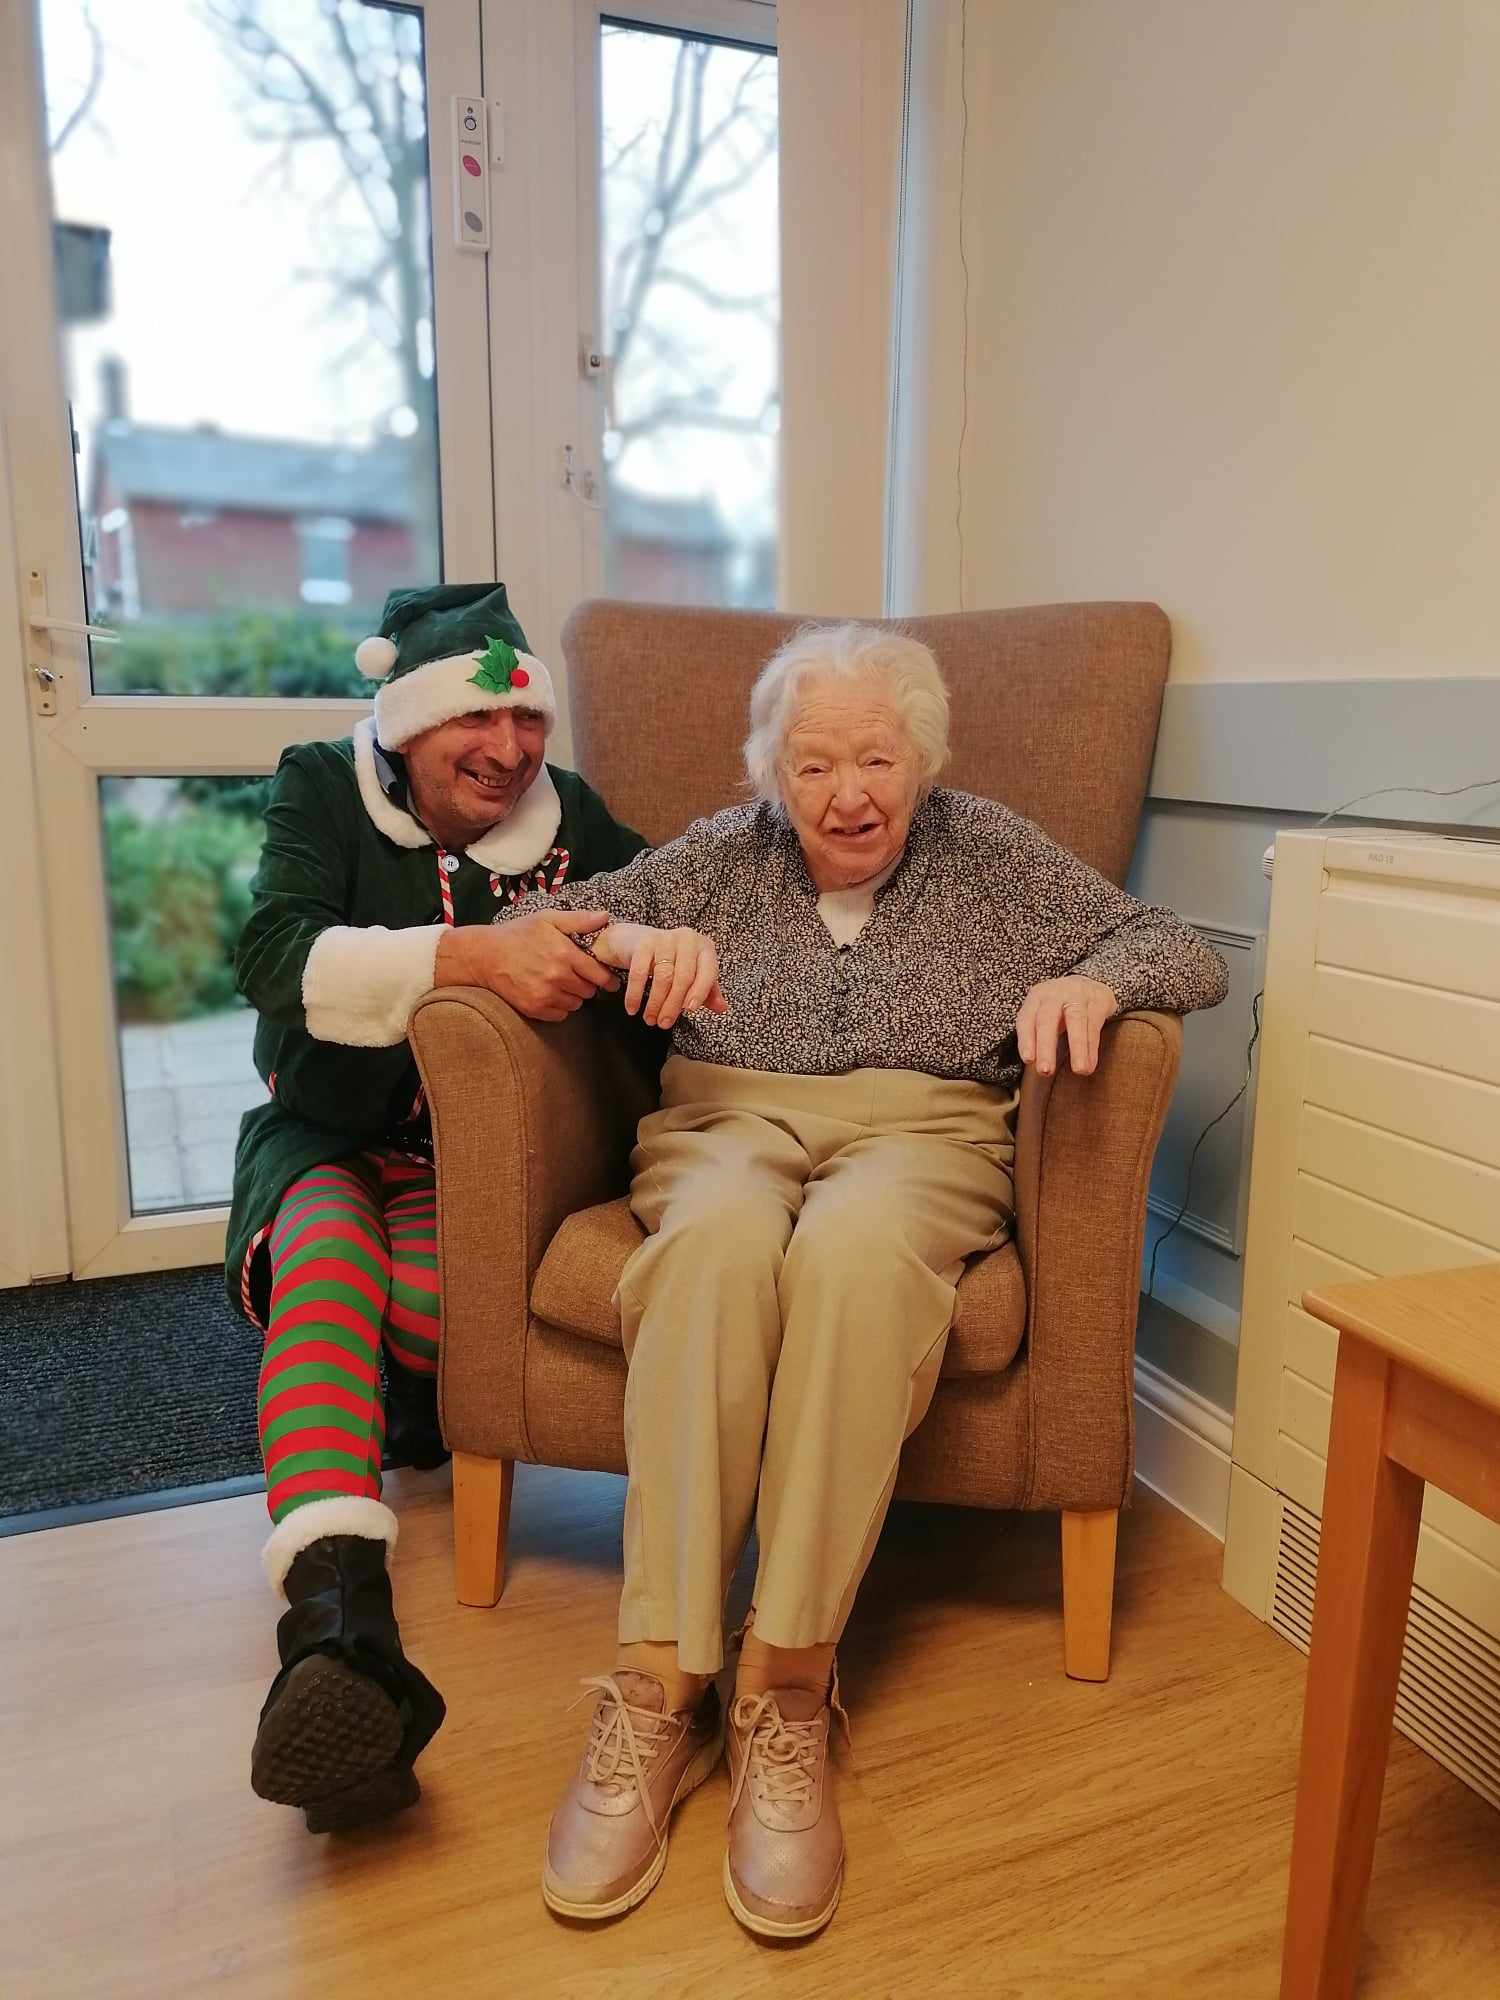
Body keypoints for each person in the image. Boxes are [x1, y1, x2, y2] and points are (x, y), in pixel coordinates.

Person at [492, 621, 1229, 1937]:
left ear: (922, 761)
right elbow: (532, 923)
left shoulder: (992, 854)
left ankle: (783, 1685)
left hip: (923, 1135)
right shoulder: (719, 856)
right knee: (712, 1247)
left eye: (879, 759)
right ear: (775, 771)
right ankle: (661, 1685)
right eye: (818, 762)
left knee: (854, 1253)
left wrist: (1094, 983)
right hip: (724, 1125)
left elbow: (1177, 945)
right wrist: (618, 946)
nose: (850, 795)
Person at [230, 582, 646, 1832]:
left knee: (414, 1320)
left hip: (470, 1178)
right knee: (322, 1258)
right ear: (404, 723)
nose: (512, 753)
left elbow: (666, 903)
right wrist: (471, 956)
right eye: (479, 722)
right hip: (324, 1133)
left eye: (529, 726)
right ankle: (339, 1641)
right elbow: (272, 954)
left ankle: (376, 1481)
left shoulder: (570, 820)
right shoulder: (318, 783)